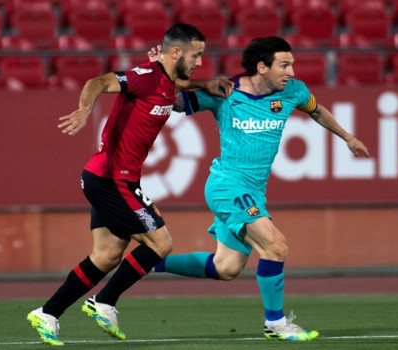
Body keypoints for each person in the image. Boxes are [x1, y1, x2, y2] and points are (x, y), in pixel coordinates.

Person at [26, 23, 233, 346]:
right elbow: (97, 81)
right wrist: (84, 109)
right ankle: (104, 301)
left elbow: (176, 81)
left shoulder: (165, 79)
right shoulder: (145, 76)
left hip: (106, 178)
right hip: (112, 180)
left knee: (107, 256)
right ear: (175, 52)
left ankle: (47, 313)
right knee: (161, 244)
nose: (200, 61)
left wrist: (206, 83)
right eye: (196, 55)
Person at [153, 36, 370, 341]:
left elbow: (317, 110)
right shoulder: (224, 91)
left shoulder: (293, 91)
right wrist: (160, 72)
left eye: (292, 64)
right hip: (227, 186)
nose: (291, 71)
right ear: (262, 67)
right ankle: (276, 324)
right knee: (276, 246)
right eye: (284, 64)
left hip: (253, 191)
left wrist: (347, 137)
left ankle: (150, 261)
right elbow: (175, 103)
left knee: (225, 267)